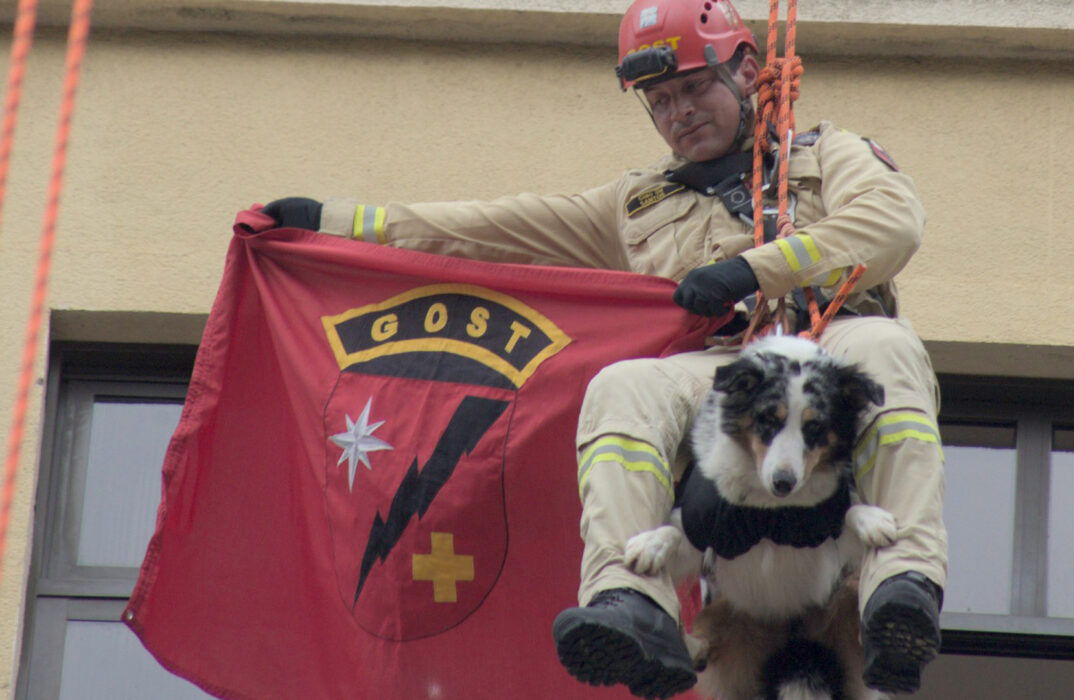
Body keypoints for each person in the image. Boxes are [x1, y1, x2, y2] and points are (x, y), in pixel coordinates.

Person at [261, 0, 946, 696]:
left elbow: (891, 223)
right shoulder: (635, 204)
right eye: (659, 101)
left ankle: (903, 585)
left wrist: (752, 271)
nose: (677, 112)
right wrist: (334, 225)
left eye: (693, 88)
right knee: (622, 385)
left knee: (888, 345)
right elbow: (491, 231)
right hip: (722, 375)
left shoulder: (828, 154)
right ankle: (629, 603)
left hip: (830, 347)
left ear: (745, 70)